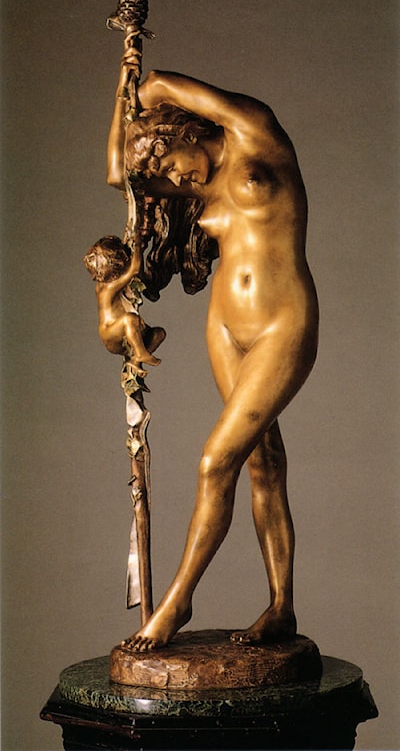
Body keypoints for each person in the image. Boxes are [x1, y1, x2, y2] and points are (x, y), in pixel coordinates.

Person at [107, 37, 319, 652]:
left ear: (186, 130)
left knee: (213, 462)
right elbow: (120, 174)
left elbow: (160, 85)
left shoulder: (256, 136)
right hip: (225, 326)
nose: (176, 178)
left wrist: (139, 83)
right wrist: (120, 101)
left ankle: (177, 601)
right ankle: (281, 607)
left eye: (174, 162)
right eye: (169, 178)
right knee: (262, 460)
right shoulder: (194, 190)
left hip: (283, 325)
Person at [84, 235, 165, 377]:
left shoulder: (112, 281)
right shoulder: (107, 287)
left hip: (122, 330)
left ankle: (136, 361)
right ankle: (140, 353)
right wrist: (138, 246)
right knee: (130, 319)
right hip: (111, 333)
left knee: (159, 334)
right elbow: (133, 270)